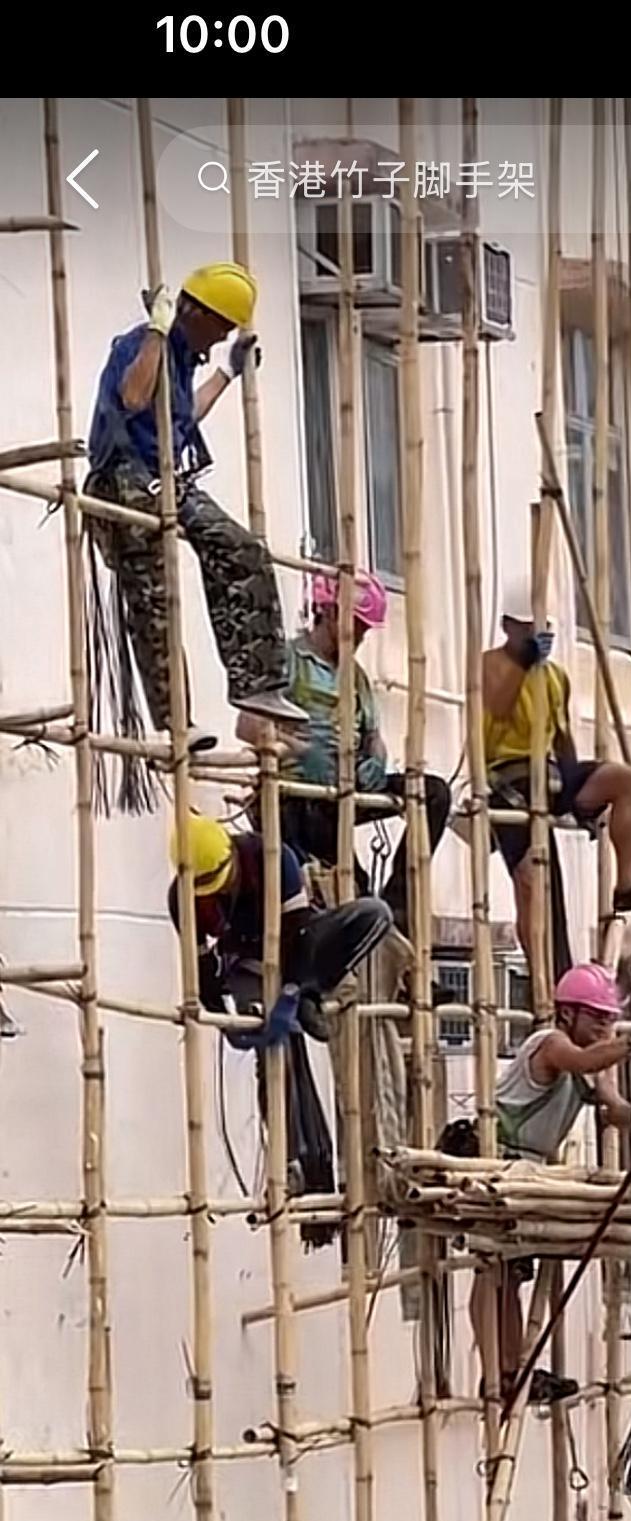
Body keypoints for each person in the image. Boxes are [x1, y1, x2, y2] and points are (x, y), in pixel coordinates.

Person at [85, 266, 306, 748]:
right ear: (194, 312)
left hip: (164, 479)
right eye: (221, 325)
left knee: (241, 550)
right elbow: (134, 395)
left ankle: (257, 684)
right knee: (153, 595)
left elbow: (182, 420)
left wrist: (227, 371)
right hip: (121, 481)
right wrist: (158, 333)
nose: (222, 335)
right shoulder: (144, 342)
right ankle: (174, 721)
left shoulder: (185, 359)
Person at [236, 570, 450, 938]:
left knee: (432, 793)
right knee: (351, 892)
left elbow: (373, 736)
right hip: (299, 795)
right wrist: (303, 751)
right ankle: (373, 920)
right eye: (357, 625)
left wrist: (375, 761)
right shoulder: (288, 659)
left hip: (346, 786)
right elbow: (247, 726)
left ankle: (400, 900)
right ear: (330, 611)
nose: (363, 636)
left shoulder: (357, 677)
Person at [481, 582, 631, 975]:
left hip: (549, 775)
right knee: (533, 887)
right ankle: (545, 980)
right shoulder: (489, 665)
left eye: (544, 628)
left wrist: (579, 792)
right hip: (508, 781)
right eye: (528, 628)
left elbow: (563, 736)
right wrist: (522, 664)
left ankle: (625, 885)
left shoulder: (554, 677)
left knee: (627, 781)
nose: (538, 635)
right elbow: (497, 706)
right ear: (508, 627)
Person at [469, 962, 631, 1406]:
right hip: (498, 1164)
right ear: (568, 1014)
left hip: (530, 1174)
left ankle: (513, 1371)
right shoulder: (552, 1044)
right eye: (597, 1017)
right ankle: (496, 1372)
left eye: (610, 1018)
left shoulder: (592, 1061)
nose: (605, 1026)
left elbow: (613, 1106)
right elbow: (583, 1060)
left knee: (512, 1276)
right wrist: (628, 1044)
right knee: (492, 1273)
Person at [168, 812, 392, 1048]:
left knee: (375, 914)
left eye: (224, 881)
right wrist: (224, 1023)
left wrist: (292, 990)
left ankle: (311, 991)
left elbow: (299, 930)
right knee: (268, 1034)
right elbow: (201, 969)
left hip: (298, 945)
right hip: (247, 966)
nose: (221, 891)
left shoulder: (271, 857)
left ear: (231, 854)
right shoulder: (183, 900)